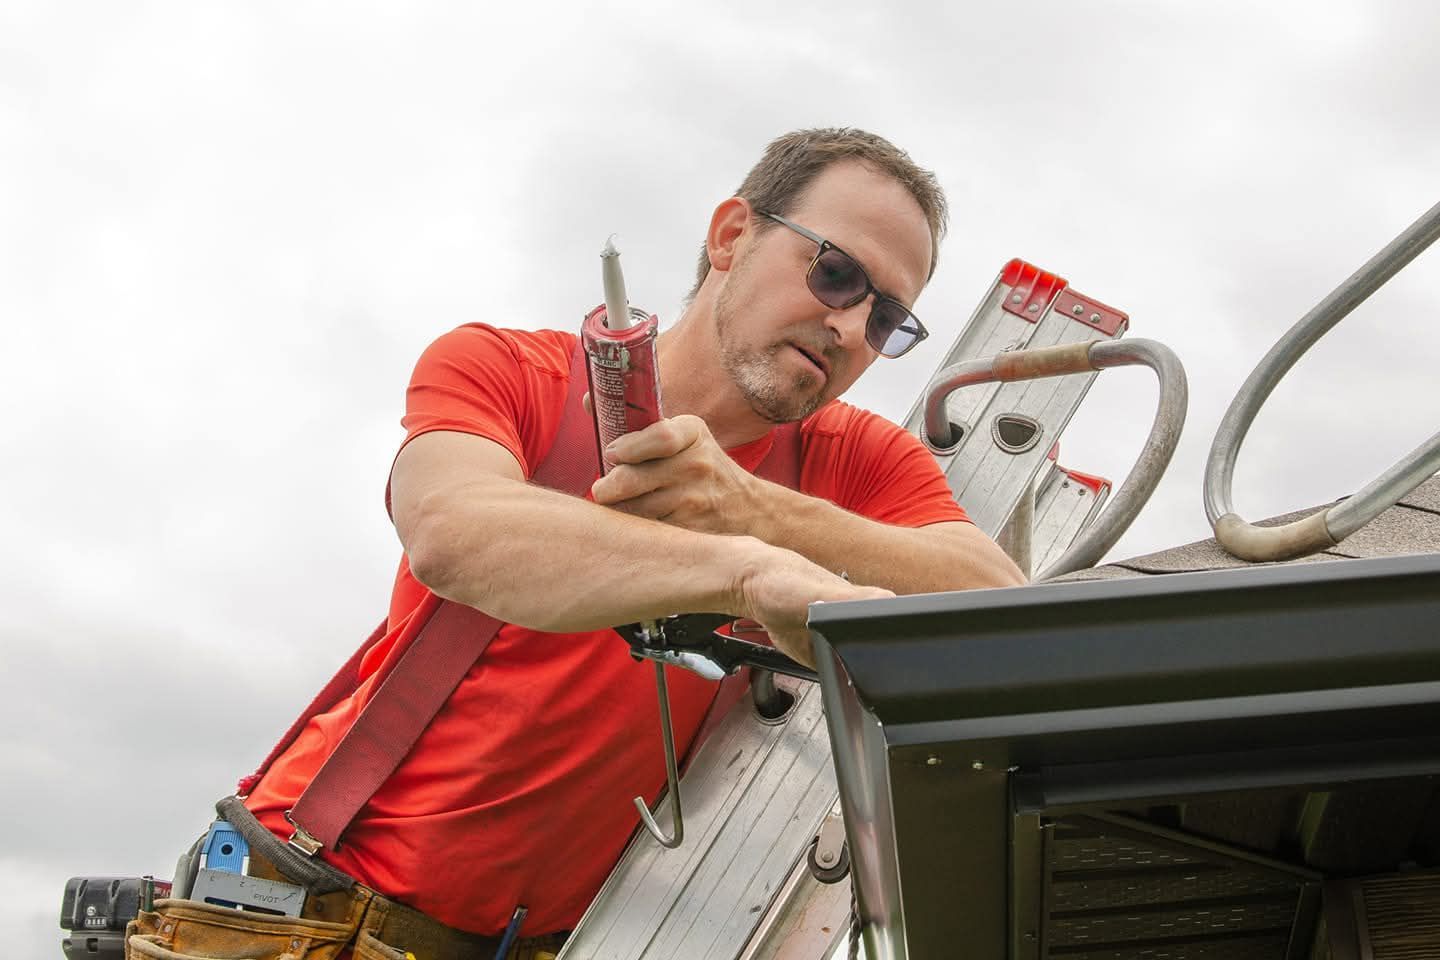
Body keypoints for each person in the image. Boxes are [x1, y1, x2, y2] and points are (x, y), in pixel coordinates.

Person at [241, 127, 1024, 953]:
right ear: (731, 236)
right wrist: (749, 572)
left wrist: (755, 507)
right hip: (309, 906)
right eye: (837, 275)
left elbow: (1002, 608)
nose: (852, 328)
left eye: (889, 318)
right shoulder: (512, 371)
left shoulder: (853, 460)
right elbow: (452, 531)